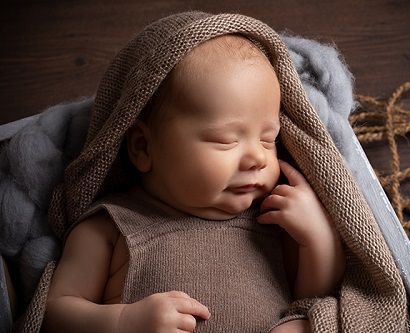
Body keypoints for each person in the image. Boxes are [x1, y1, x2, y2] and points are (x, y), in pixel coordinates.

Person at [41, 22, 345, 333]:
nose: (258, 158)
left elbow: (313, 298)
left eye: (269, 140)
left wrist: (317, 238)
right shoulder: (111, 225)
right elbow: (55, 314)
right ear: (143, 147)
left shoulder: (269, 219)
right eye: (226, 140)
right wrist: (124, 322)